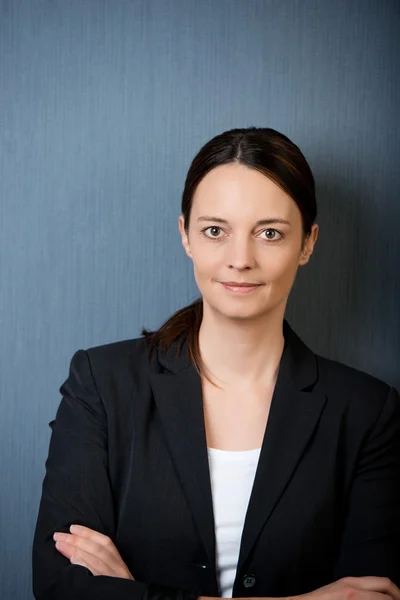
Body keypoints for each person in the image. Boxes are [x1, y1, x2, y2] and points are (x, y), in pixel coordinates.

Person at [32, 127, 400, 600]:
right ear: (185, 235)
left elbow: (372, 596)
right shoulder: (101, 384)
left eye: (269, 233)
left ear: (307, 243)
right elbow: (61, 587)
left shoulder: (368, 411)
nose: (240, 259)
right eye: (215, 231)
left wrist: (134, 593)